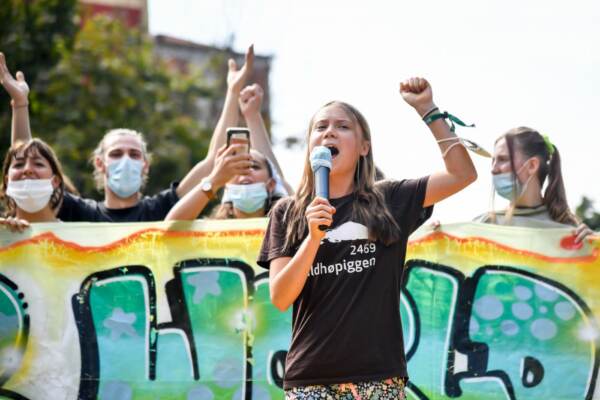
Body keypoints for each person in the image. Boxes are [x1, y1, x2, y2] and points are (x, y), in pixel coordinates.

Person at [257, 77, 477, 398]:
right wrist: (313, 239)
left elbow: (463, 174)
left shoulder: (389, 200)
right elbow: (280, 297)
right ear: (310, 146)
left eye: (342, 126)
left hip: (379, 378)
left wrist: (428, 110)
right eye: (320, 127)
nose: (329, 132)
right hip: (310, 381)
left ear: (364, 147)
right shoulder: (287, 213)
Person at [1, 47, 256, 222]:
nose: (126, 159)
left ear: (145, 165)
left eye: (134, 154)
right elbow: (26, 171)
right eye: (116, 153)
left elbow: (212, 162)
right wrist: (20, 105)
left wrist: (232, 94)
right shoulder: (79, 212)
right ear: (100, 164)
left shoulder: (162, 207)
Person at [165, 83, 291, 221]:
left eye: (254, 166)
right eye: (236, 166)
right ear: (226, 185)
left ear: (272, 184)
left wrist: (252, 116)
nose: (246, 171)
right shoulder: (210, 231)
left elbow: (285, 187)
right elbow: (171, 225)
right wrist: (213, 181)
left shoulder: (288, 229)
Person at [476, 126, 593, 242]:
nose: (493, 169)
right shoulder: (484, 226)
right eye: (493, 161)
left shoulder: (574, 233)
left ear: (532, 165)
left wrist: (594, 248)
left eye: (503, 159)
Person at [0, 139, 68, 231]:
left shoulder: (78, 238)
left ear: (55, 181)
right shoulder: (2, 234)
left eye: (38, 164)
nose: (28, 170)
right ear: (7, 181)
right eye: (19, 165)